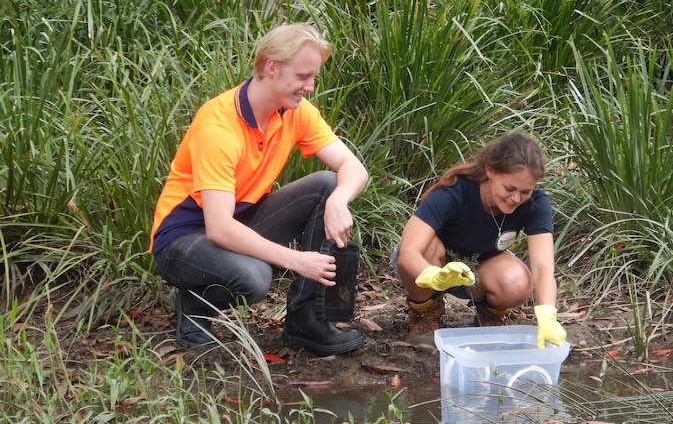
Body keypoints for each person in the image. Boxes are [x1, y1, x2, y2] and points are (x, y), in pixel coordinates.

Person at [150, 22, 369, 354]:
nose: (310, 87)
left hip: (239, 220)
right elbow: (219, 227)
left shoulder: (296, 113)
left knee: (327, 185)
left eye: (314, 77)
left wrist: (339, 200)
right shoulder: (218, 127)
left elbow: (354, 168)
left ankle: (306, 320)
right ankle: (195, 306)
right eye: (303, 77)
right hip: (182, 240)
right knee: (255, 277)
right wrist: (297, 260)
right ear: (272, 67)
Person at [394, 133, 567, 348]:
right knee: (427, 248)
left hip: (481, 270)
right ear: (490, 170)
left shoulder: (535, 204)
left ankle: (490, 314)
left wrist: (548, 313)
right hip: (434, 264)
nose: (516, 199)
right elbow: (408, 252)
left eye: (525, 191)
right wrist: (435, 277)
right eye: (509, 188)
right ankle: (424, 312)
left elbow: (542, 267)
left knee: (518, 281)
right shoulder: (453, 192)